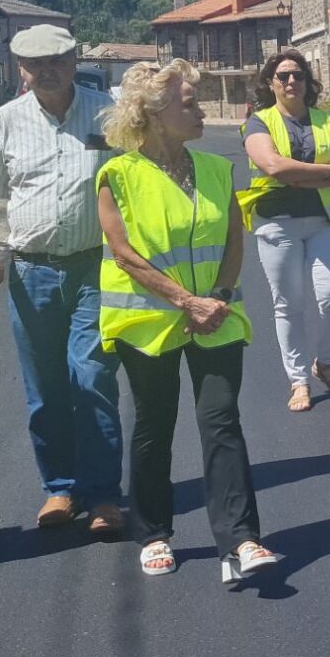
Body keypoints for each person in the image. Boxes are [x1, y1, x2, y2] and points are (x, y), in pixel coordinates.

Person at [96, 60, 275, 582]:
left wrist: (216, 297)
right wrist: (184, 301)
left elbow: (235, 239)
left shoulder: (217, 169)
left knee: (222, 420)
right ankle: (154, 532)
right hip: (148, 323)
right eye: (190, 104)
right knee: (155, 425)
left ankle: (240, 539)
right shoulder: (118, 176)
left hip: (217, 315)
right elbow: (124, 254)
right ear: (153, 114)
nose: (200, 112)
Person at [0, 23, 124, 536]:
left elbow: (139, 180)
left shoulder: (108, 114)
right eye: (35, 64)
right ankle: (61, 488)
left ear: (74, 61)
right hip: (31, 273)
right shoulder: (5, 121)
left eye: (57, 61)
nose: (47, 71)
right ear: (20, 69)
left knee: (92, 377)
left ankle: (103, 495)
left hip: (97, 267)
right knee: (46, 389)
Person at [239, 49, 330, 413]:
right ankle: (298, 380)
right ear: (270, 83)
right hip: (277, 222)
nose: (292, 81)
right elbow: (273, 167)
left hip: (325, 220)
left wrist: (299, 175)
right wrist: (323, 174)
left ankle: (326, 364)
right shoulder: (258, 122)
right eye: (283, 76)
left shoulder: (328, 119)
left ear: (308, 81)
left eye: (298, 75)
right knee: (288, 304)